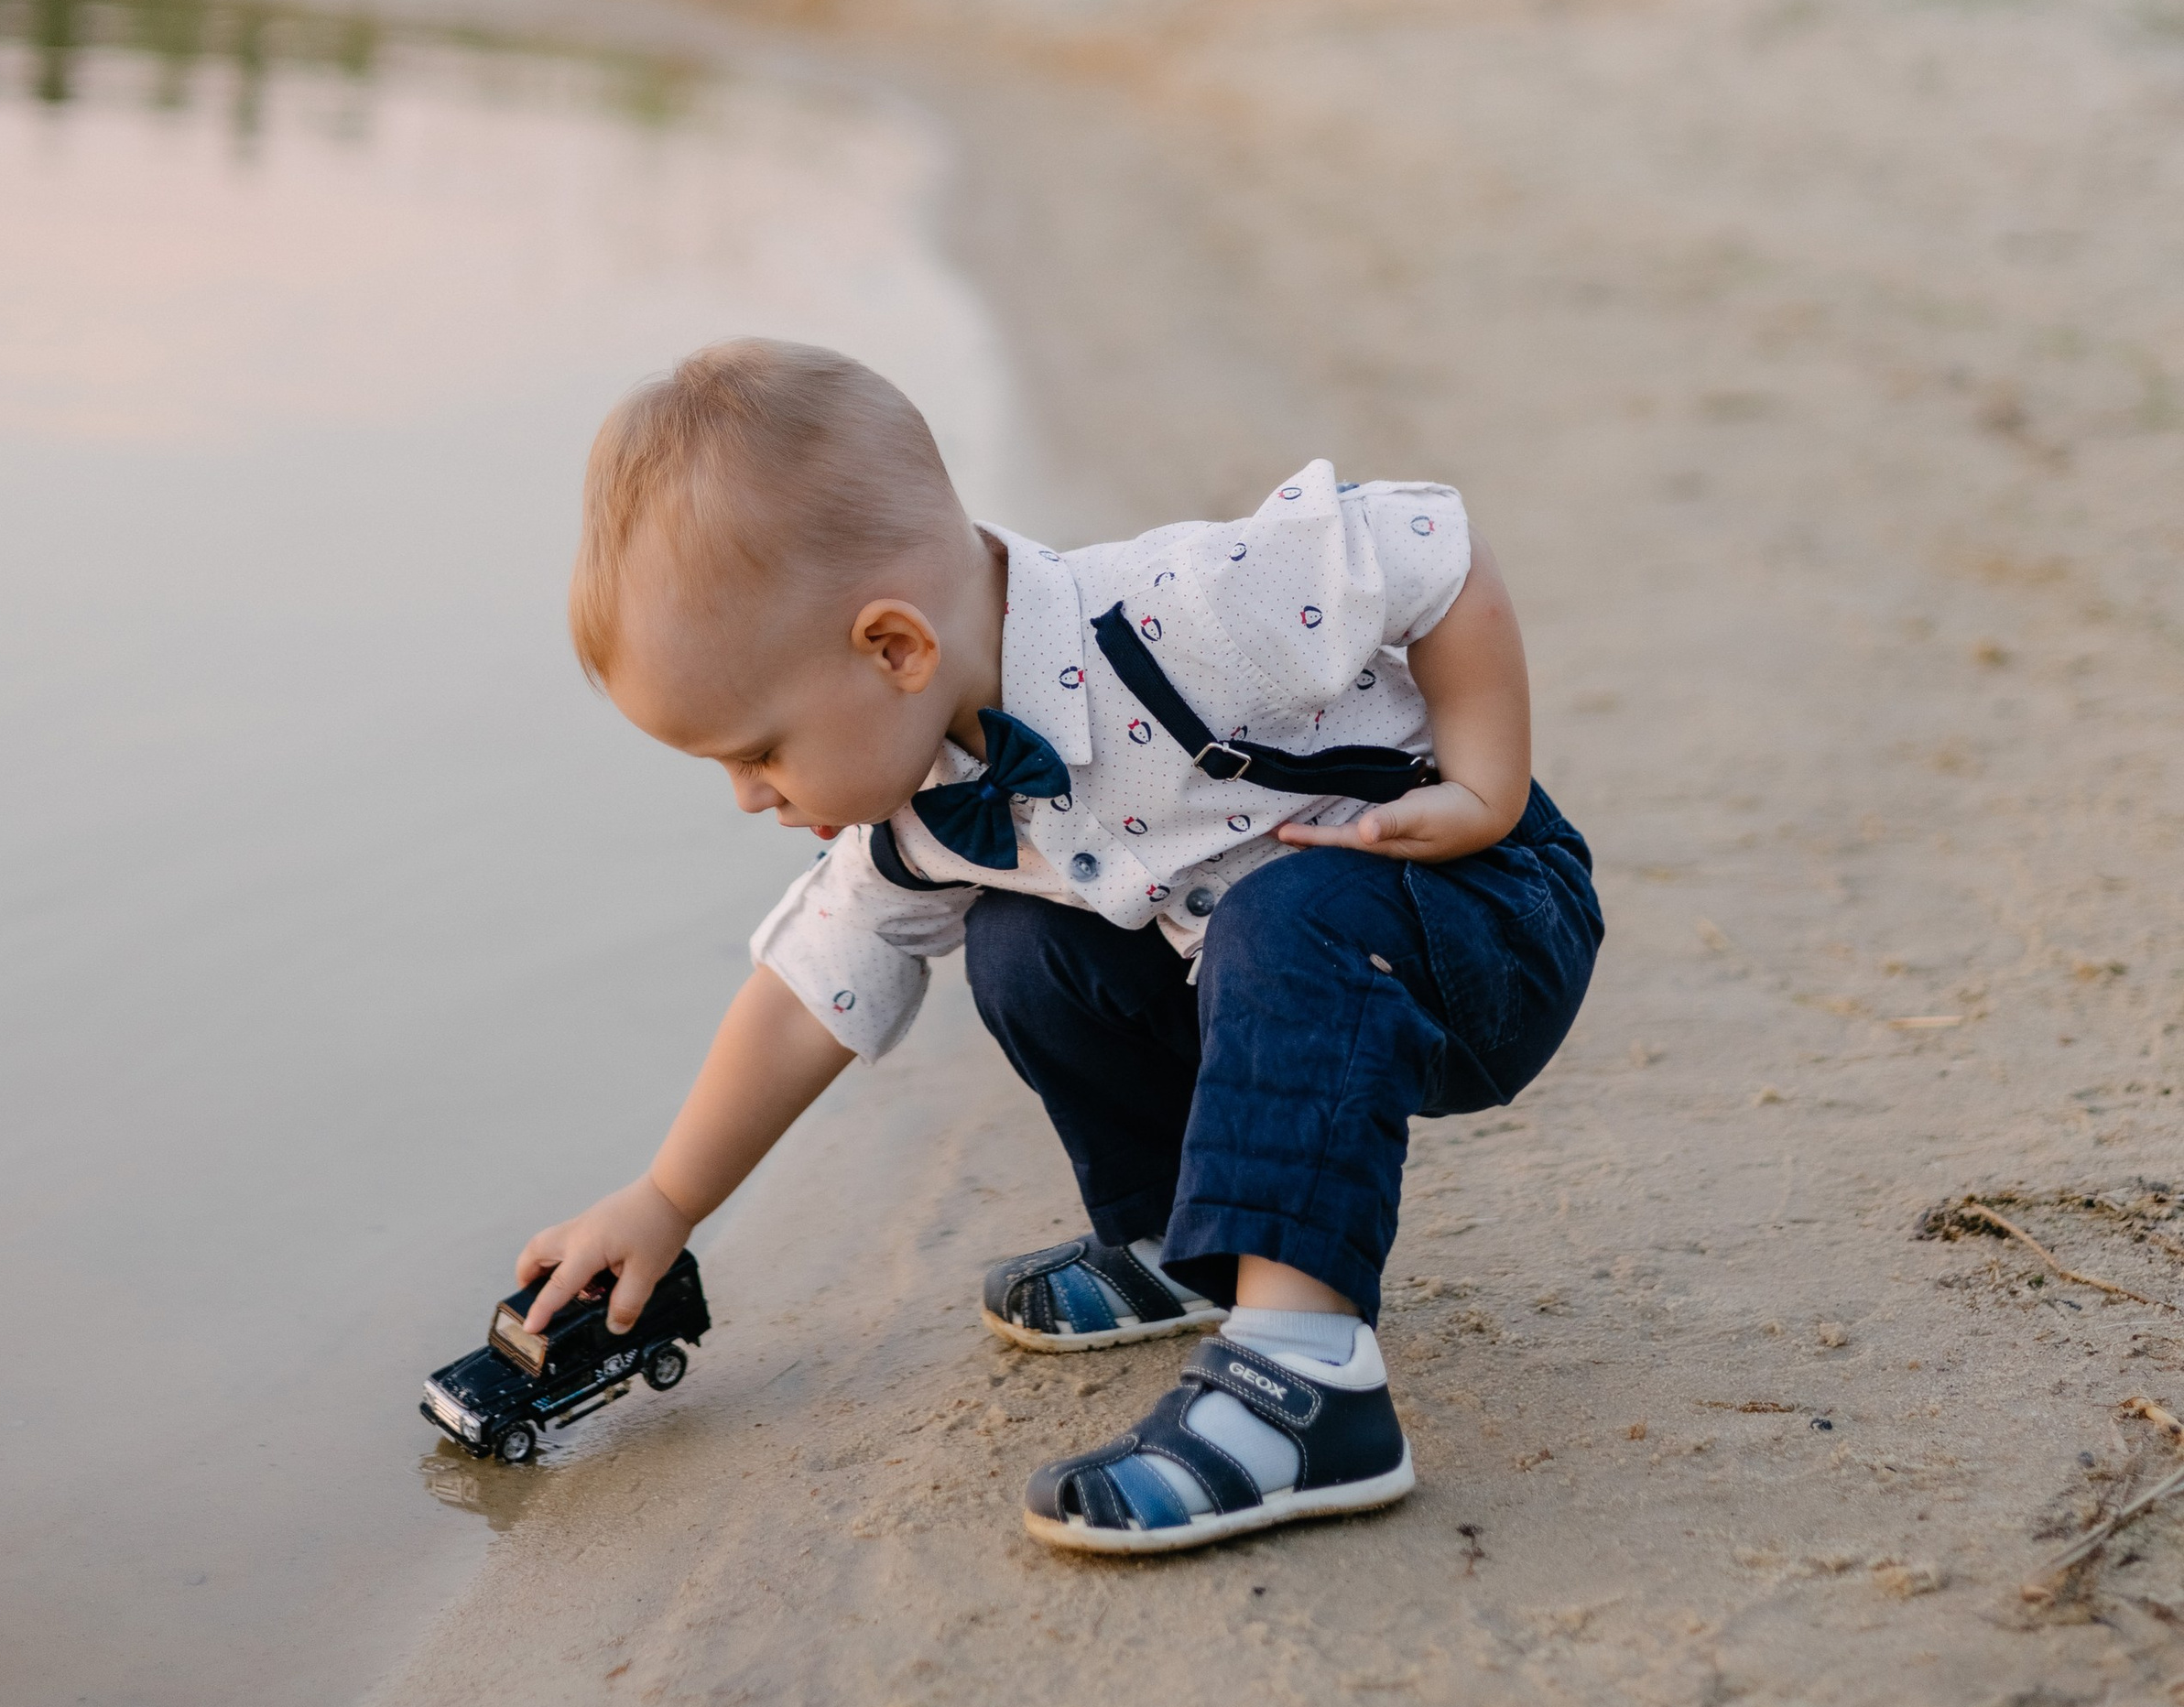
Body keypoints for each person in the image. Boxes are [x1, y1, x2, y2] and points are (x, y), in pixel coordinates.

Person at [519, 339, 1601, 1559]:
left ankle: (1310, 1383)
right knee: (1024, 938)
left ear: (893, 649)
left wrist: (1487, 785)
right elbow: (804, 995)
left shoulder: (1180, 618)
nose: (746, 796)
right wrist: (666, 1201)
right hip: (1283, 1000)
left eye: (758, 749)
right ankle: (1182, 1244)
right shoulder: (927, 806)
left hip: (1476, 926)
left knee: (1284, 913)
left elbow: (1423, 544)